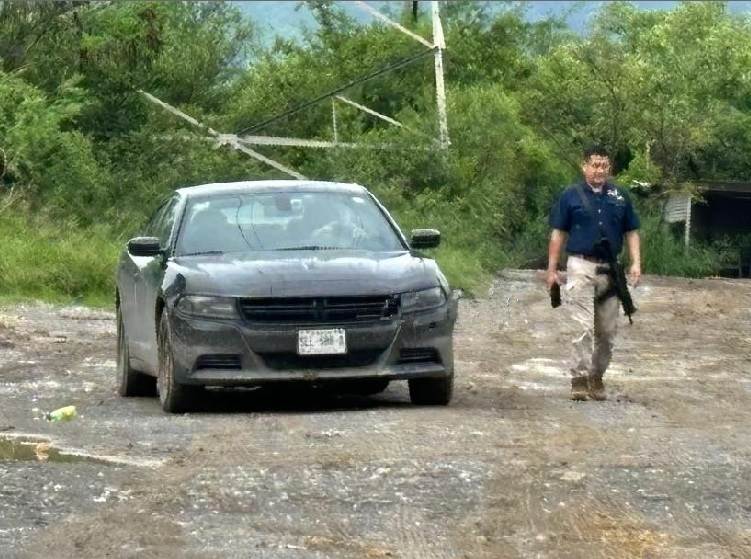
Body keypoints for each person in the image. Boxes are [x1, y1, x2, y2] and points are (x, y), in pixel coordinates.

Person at [547, 145, 641, 401]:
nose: (599, 170)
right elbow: (558, 233)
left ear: (609, 167)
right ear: (584, 166)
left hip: (611, 270)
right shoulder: (570, 196)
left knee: (608, 332)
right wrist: (552, 269)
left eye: (603, 165)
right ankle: (578, 378)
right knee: (582, 326)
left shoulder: (620, 196)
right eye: (594, 165)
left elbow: (631, 231)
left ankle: (596, 376)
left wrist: (636, 262)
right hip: (580, 265)